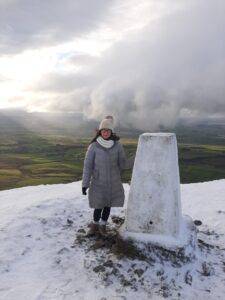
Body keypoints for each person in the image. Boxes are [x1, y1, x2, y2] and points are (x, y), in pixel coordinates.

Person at [82, 115, 133, 236]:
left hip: (114, 182)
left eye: (108, 130)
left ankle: (103, 225)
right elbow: (88, 166)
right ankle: (94, 225)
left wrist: (136, 158)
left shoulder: (117, 146)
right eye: (103, 130)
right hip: (98, 182)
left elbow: (123, 164)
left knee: (107, 205)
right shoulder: (93, 147)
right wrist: (85, 184)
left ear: (111, 132)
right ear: (100, 131)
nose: (105, 132)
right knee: (98, 206)